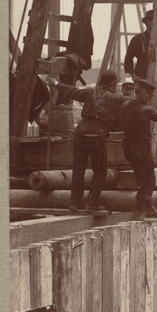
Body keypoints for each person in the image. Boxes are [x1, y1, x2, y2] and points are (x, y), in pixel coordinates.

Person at [52, 69, 123, 212]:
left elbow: (73, 91)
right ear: (112, 85)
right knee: (100, 170)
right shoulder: (115, 98)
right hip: (97, 132)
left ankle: (74, 202)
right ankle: (92, 203)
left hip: (80, 131)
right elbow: (131, 104)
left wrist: (56, 84)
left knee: (78, 169)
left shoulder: (91, 92)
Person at [119, 79, 157, 219]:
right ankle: (137, 210)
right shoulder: (144, 109)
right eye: (149, 94)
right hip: (140, 147)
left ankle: (148, 208)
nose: (149, 97)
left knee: (141, 178)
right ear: (142, 93)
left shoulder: (125, 105)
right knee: (149, 180)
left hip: (128, 147)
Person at [123, 9, 157, 80]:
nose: (153, 23)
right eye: (150, 20)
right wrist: (133, 75)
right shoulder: (137, 39)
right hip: (141, 76)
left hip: (156, 75)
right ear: (146, 23)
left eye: (154, 21)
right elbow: (128, 58)